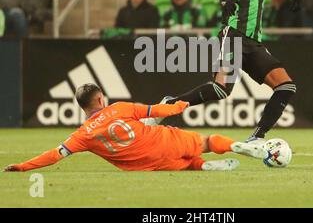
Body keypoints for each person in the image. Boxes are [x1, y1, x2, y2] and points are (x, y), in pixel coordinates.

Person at [153, 0, 302, 145]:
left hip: (254, 42)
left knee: (286, 86)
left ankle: (257, 137)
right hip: (233, 35)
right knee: (221, 89)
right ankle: (168, 105)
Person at [3, 84, 267, 172]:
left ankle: (203, 166)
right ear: (100, 99)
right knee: (208, 142)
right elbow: (156, 110)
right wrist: (180, 105)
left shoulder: (82, 136)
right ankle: (240, 147)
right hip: (161, 140)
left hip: (146, 165)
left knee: (187, 164)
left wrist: (23, 166)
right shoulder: (119, 108)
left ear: (82, 107)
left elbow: (55, 155)